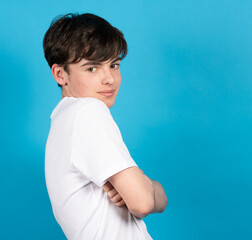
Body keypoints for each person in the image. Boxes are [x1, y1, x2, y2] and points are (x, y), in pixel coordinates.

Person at [43, 13, 168, 240]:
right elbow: (145, 202)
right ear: (60, 74)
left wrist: (141, 186)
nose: (109, 78)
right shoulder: (87, 111)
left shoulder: (61, 120)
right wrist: (147, 185)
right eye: (92, 68)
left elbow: (148, 199)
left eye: (114, 64)